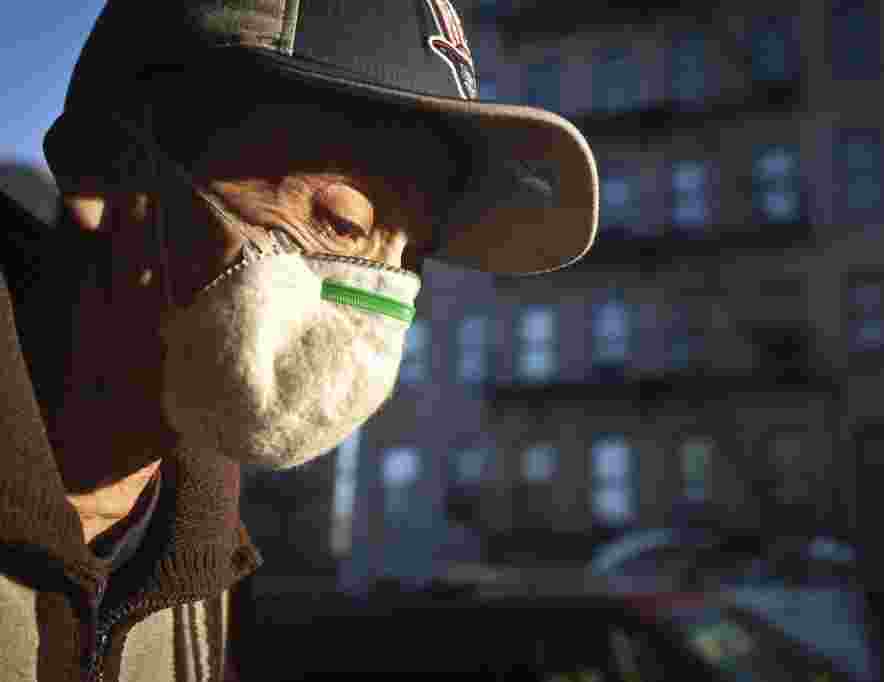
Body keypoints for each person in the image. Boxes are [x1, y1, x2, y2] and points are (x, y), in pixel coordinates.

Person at [0, 1, 598, 680]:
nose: (374, 297)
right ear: (111, 171)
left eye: (409, 257)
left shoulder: (192, 572)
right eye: (341, 224)